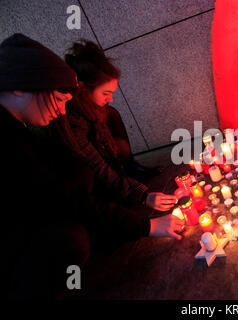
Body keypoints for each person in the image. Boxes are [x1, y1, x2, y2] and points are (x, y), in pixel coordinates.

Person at [1, 34, 183, 299]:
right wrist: (147, 226)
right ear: (20, 87)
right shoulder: (19, 142)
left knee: (80, 176)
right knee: (73, 239)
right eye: (59, 99)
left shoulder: (20, 129)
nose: (61, 111)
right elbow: (69, 197)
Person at [63, 40, 167, 211]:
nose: (110, 99)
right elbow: (97, 168)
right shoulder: (72, 123)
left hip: (108, 168)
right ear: (82, 89)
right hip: (84, 186)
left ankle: (130, 167)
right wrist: (142, 196)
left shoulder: (96, 109)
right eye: (105, 93)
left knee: (112, 113)